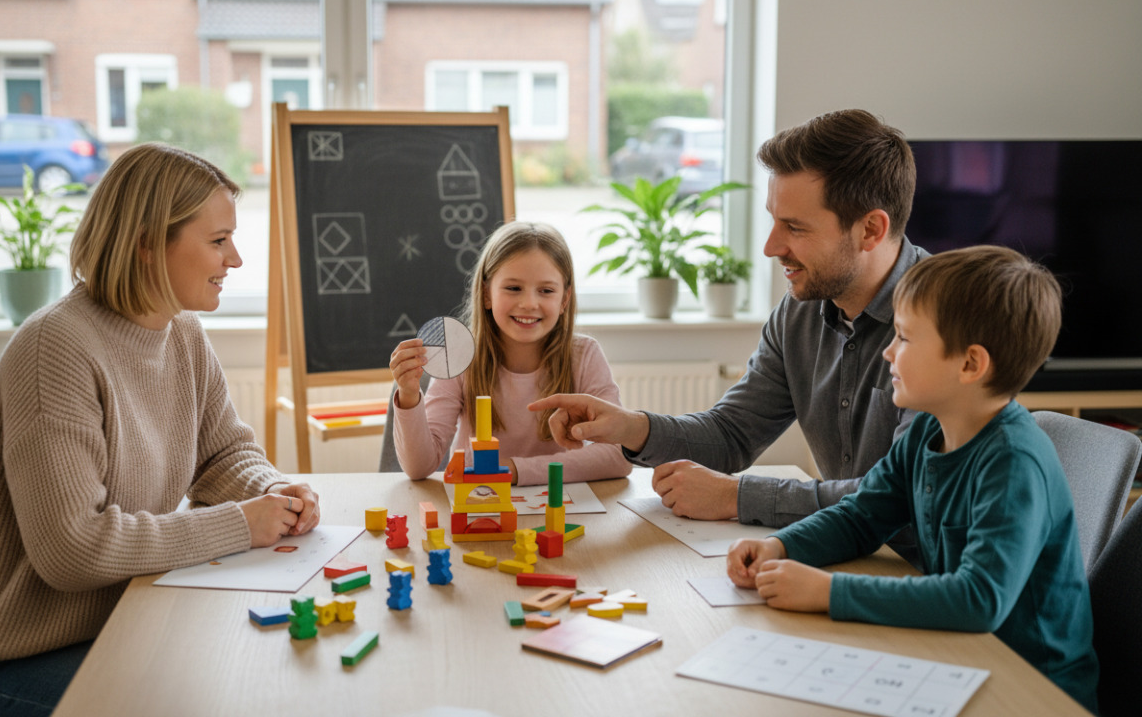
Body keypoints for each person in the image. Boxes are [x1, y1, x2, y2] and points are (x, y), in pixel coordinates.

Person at [0, 144, 320, 717]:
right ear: (147, 243)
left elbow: (222, 453)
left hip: (114, 622)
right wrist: (241, 524)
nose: (236, 259)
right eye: (218, 241)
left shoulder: (181, 331)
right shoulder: (55, 349)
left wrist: (269, 490)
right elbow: (73, 548)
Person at [726, 246, 1098, 713]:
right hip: (964, 656)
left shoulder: (1013, 463)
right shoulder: (926, 427)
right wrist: (783, 546)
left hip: (1033, 688)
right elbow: (862, 518)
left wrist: (828, 591)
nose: (887, 351)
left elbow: (977, 599)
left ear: (969, 365)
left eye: (903, 338)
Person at [532, 109, 927, 529]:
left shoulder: (948, 327)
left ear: (870, 230)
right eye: (773, 221)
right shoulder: (800, 312)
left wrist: (737, 497)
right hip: (848, 557)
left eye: (794, 227)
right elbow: (732, 434)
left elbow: (897, 497)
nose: (771, 247)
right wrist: (630, 428)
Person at [390, 221, 633, 485]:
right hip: (479, 508)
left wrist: (513, 471)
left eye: (546, 291)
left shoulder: (584, 355)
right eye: (513, 288)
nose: (529, 303)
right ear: (486, 294)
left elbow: (617, 455)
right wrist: (409, 395)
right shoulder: (460, 357)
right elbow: (419, 467)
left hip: (555, 509)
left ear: (564, 299)